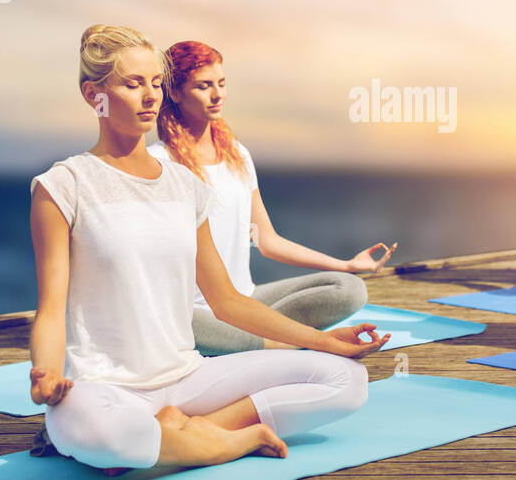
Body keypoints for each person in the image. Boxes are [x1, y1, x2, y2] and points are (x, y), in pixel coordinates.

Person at [28, 25, 389, 474]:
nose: (149, 96)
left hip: (187, 376)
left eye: (156, 83)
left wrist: (324, 342)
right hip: (108, 387)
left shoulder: (184, 186)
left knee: (347, 381)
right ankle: (232, 442)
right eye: (132, 83)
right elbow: (50, 309)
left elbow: (227, 300)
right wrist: (45, 372)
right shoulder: (63, 186)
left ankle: (185, 432)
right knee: (109, 435)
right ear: (93, 94)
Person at [148, 40, 398, 354]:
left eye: (222, 83)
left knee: (349, 290)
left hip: (245, 301)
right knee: (177, 323)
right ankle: (283, 342)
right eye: (204, 86)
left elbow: (267, 240)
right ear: (174, 93)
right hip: (195, 314)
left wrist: (345, 264)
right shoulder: (160, 163)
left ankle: (258, 341)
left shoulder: (236, 154)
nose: (217, 94)